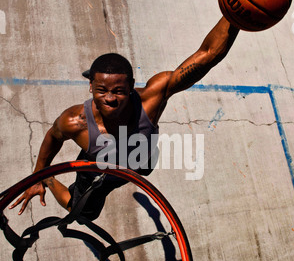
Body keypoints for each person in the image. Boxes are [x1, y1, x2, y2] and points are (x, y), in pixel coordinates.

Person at [9, 17, 239, 220]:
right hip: (100, 172)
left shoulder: (151, 100)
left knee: (144, 165)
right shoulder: (75, 122)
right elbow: (52, 137)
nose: (109, 98)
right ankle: (50, 182)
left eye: (118, 91)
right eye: (101, 90)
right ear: (90, 86)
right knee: (84, 212)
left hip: (140, 158)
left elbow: (207, 54)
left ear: (131, 86)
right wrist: (40, 176)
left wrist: (235, 17)